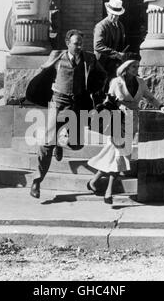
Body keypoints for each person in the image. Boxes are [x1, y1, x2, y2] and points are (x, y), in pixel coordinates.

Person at [26, 29, 107, 199]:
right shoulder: (57, 56)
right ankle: (37, 181)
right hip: (58, 102)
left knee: (77, 144)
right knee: (47, 142)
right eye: (76, 43)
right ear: (67, 43)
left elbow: (102, 75)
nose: (79, 46)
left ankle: (60, 142)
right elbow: (43, 72)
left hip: (79, 103)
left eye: (81, 44)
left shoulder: (90, 58)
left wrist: (95, 91)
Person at [87, 57, 164, 204]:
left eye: (137, 66)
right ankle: (109, 192)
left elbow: (149, 97)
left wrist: (160, 105)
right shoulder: (116, 82)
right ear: (125, 69)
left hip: (132, 120)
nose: (137, 69)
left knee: (115, 154)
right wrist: (117, 107)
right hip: (117, 120)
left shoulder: (141, 82)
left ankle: (93, 181)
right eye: (133, 67)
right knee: (120, 155)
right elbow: (108, 101)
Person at [94, 0, 127, 90]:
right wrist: (116, 54)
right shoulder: (101, 26)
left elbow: (121, 44)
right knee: (100, 90)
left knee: (113, 90)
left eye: (116, 15)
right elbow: (98, 46)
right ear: (107, 12)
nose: (114, 17)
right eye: (112, 14)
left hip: (114, 66)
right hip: (101, 65)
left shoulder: (120, 26)